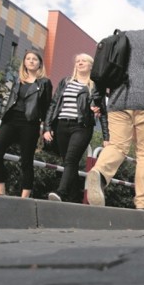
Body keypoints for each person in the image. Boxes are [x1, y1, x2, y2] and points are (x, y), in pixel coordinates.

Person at [85, 18, 144, 210]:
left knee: (118, 146)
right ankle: (143, 203)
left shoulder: (125, 36)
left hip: (119, 100)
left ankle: (100, 172)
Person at [42, 53, 110, 202]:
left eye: (84, 61)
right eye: (78, 61)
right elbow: (54, 104)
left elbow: (103, 113)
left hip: (82, 127)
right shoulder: (65, 82)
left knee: (71, 159)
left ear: (91, 66)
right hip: (61, 125)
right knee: (68, 161)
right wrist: (47, 127)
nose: (80, 63)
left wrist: (106, 137)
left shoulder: (95, 86)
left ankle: (61, 192)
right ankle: (74, 198)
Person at [0, 49, 53, 197]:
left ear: (39, 64)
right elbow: (9, 103)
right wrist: (2, 122)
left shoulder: (44, 83)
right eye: (28, 59)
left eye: (34, 59)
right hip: (11, 121)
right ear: (24, 62)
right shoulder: (19, 80)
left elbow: (47, 107)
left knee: (26, 161)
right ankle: (0, 191)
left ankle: (24, 197)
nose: (31, 61)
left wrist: (46, 127)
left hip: (30, 123)